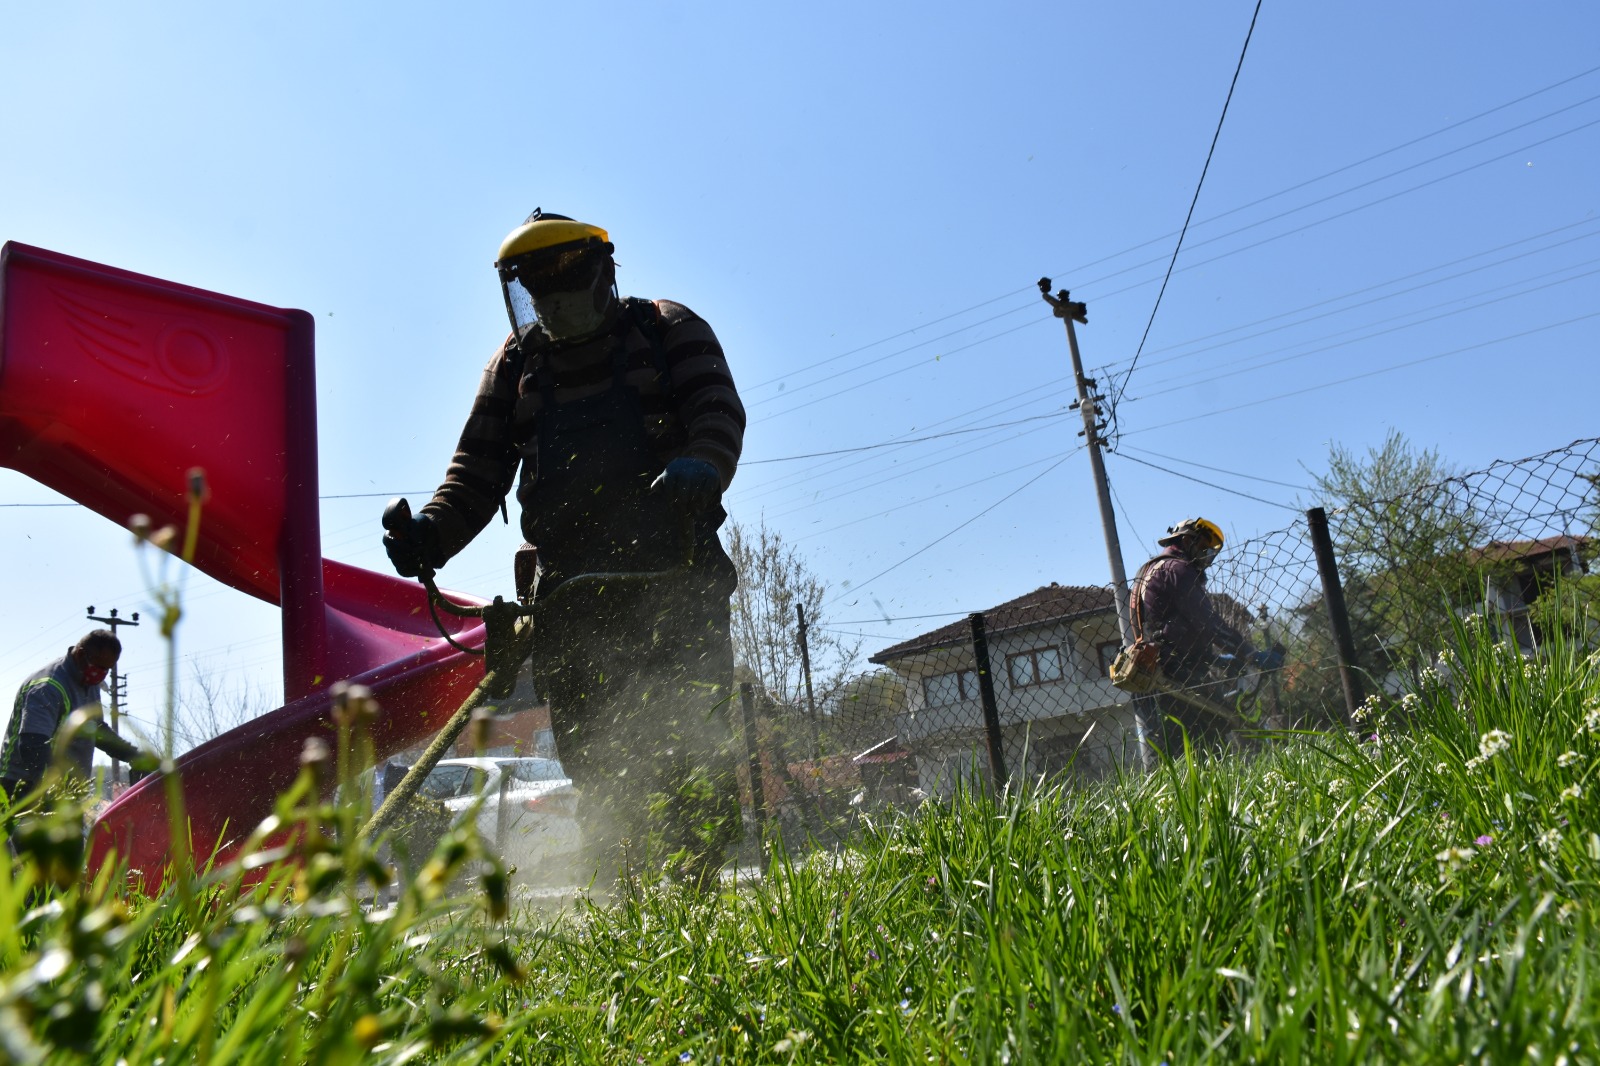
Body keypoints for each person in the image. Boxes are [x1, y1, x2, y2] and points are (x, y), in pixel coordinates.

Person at [383, 210, 744, 890]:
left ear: (602, 274)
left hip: (676, 573)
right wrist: (429, 532)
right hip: (572, 597)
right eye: (537, 293)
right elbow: (474, 474)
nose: (553, 304)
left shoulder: (667, 330)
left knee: (692, 737)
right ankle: (622, 890)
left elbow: (718, 409)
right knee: (597, 755)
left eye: (564, 286)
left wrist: (703, 464)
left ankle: (697, 887)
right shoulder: (515, 367)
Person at [1131, 517, 1254, 757]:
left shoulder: (1147, 569)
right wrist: (1247, 651)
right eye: (1204, 548)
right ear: (1187, 540)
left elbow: (1166, 626)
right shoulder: (1179, 568)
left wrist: (1213, 658)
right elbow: (1205, 621)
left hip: (1153, 671)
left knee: (1169, 750)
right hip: (1178, 674)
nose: (1207, 556)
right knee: (1211, 737)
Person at [1, 630, 149, 806]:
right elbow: (32, 743)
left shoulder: (89, 681)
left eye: (106, 670)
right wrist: (51, 787)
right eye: (99, 667)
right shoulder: (47, 687)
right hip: (22, 788)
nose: (101, 674)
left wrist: (134, 756)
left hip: (64, 791)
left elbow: (95, 729)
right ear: (80, 654)